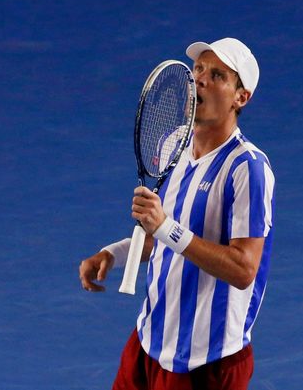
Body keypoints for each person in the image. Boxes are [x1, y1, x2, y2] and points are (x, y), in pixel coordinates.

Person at [79, 38, 275, 390]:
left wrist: (166, 226)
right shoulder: (174, 147)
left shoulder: (248, 168)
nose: (200, 79)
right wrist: (115, 254)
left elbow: (244, 270)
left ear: (240, 97)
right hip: (149, 341)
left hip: (207, 362)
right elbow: (160, 240)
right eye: (199, 69)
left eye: (217, 76)